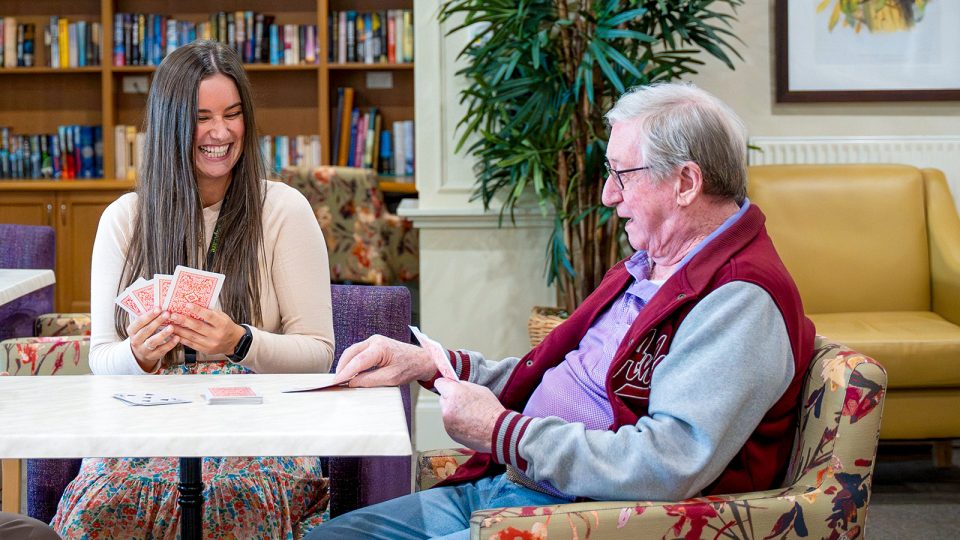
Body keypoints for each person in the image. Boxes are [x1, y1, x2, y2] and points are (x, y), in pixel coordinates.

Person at [307, 82, 815, 539]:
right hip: (513, 486)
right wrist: (435, 365)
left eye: (622, 174)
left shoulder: (739, 298)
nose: (607, 194)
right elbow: (554, 376)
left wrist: (503, 431)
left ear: (685, 183)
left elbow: (667, 462)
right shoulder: (652, 266)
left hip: (580, 519)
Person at [51, 40, 335, 539]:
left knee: (235, 504)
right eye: (201, 117)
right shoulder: (125, 219)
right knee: (98, 510)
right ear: (169, 124)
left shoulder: (283, 210)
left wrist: (238, 341)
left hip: (259, 423)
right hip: (148, 427)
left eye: (233, 114)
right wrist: (136, 355)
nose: (220, 133)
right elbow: (101, 358)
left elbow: (318, 353)